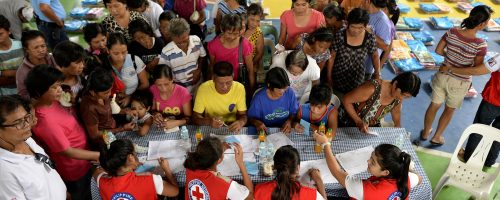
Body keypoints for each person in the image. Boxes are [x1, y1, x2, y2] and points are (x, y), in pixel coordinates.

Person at [25, 65, 100, 200]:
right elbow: (67, 151)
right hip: (74, 168)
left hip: (84, 158)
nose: (59, 90)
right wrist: (98, 155)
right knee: (83, 195)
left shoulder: (52, 101)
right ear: (38, 91)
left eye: (59, 85)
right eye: (54, 88)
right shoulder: (45, 121)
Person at [422, 5, 492, 146]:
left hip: (442, 74)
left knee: (434, 105)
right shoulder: (480, 45)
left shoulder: (452, 32)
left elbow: (438, 50)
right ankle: (436, 137)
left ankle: (425, 132)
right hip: (460, 82)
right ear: (482, 24)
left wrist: (451, 58)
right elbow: (475, 68)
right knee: (449, 109)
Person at [313, 131, 422, 199]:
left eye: (373, 162)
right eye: (371, 157)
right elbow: (419, 178)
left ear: (386, 172)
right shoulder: (404, 178)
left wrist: (325, 144)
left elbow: (337, 172)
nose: (368, 162)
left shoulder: (367, 191)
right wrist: (407, 168)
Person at [0, 95, 67, 200]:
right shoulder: (4, 172)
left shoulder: (25, 139)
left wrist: (61, 189)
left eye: (27, 117)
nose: (27, 124)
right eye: (18, 122)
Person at [450, 54, 500, 167]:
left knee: (479, 128)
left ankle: (468, 156)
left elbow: (480, 70)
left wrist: (452, 69)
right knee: (499, 134)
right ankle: (489, 161)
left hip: (493, 101)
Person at [94, 139, 179, 199]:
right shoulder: (150, 180)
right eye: (135, 153)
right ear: (131, 158)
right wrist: (166, 169)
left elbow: (97, 171)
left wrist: (133, 169)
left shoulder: (101, 181)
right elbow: (175, 191)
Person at [339, 72, 421, 133]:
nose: (402, 98)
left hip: (368, 128)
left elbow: (396, 119)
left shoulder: (397, 99)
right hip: (347, 121)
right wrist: (358, 121)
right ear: (395, 84)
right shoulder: (372, 89)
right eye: (403, 95)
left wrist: (399, 132)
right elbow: (346, 100)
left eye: (406, 97)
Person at [327, 8, 378, 96]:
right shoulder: (340, 35)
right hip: (339, 76)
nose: (356, 31)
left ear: (365, 26)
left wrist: (377, 73)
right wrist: (329, 77)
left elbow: (374, 55)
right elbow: (332, 57)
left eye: (360, 27)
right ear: (347, 24)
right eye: (353, 27)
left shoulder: (369, 37)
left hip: (357, 78)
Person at [184, 137, 253, 199]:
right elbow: (250, 196)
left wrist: (217, 150)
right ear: (219, 160)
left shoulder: (190, 166)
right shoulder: (225, 184)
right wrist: (241, 163)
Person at [80, 68, 136, 145]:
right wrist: (122, 129)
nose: (109, 94)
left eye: (110, 90)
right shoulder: (89, 108)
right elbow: (95, 135)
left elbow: (109, 108)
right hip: (104, 138)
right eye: (106, 93)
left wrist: (126, 111)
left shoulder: (102, 95)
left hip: (114, 129)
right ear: (92, 92)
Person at [254, 145, 326, 200]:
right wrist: (318, 180)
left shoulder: (259, 190)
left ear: (275, 167)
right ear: (298, 168)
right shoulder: (311, 194)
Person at [193, 61, 247, 133]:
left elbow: (243, 115)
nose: (225, 87)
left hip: (232, 128)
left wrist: (241, 122)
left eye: (228, 83)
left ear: (233, 76)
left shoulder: (239, 88)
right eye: (220, 83)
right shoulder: (203, 88)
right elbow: (195, 117)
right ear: (213, 79)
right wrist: (209, 122)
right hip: (210, 128)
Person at [159, 18, 206, 94]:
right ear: (172, 37)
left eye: (185, 40)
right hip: (179, 89)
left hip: (198, 83)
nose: (182, 45)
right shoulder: (166, 52)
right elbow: (164, 72)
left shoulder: (196, 40)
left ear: (188, 32)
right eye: (178, 43)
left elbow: (202, 56)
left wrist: (199, 70)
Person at [208, 14, 255, 90]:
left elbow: (250, 70)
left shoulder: (245, 44)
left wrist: (252, 91)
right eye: (229, 33)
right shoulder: (213, 45)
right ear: (222, 29)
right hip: (220, 84)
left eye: (236, 34)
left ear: (240, 31)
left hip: (238, 84)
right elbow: (212, 68)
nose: (232, 37)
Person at [102, 32, 149, 107]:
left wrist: (130, 97)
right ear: (108, 50)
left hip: (135, 102)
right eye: (116, 53)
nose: (121, 57)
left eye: (124, 52)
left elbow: (145, 84)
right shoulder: (103, 65)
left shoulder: (134, 60)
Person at [248, 67, 298, 134]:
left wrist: (289, 121)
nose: (282, 92)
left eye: (285, 88)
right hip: (266, 130)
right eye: (279, 89)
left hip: (284, 130)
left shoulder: (289, 92)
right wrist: (257, 123)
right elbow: (251, 118)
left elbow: (294, 112)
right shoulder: (259, 98)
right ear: (270, 86)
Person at [16, 30, 57, 99]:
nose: (41, 50)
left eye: (43, 46)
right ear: (26, 49)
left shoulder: (52, 58)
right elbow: (23, 95)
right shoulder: (22, 72)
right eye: (36, 47)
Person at [150, 64, 192, 129]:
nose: (164, 89)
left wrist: (177, 122)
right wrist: (155, 114)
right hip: (160, 128)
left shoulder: (183, 92)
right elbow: (151, 111)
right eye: (159, 85)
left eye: (166, 84)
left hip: (181, 129)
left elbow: (189, 119)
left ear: (172, 79)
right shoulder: (153, 90)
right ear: (155, 83)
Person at [362, 0, 392, 81]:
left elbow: (385, 46)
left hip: (366, 66)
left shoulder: (383, 21)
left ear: (368, 1)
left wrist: (370, 32)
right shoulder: (364, 12)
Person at [0, 15, 24, 96]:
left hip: (25, 90)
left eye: (0, 34)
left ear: (9, 31)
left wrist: (5, 73)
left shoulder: (20, 45)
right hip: (6, 94)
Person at [243, 4, 264, 72]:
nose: (254, 23)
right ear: (247, 16)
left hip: (252, 62)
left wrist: (250, 64)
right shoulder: (240, 28)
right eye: (252, 19)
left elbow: (259, 53)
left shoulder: (258, 34)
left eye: (257, 21)